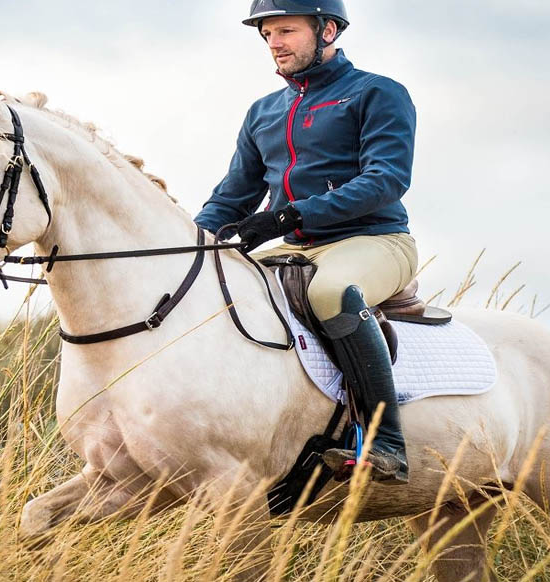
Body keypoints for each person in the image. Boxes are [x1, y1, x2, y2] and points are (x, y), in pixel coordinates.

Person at [194, 0, 418, 484]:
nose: (274, 42)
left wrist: (289, 215)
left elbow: (386, 180)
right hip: (293, 245)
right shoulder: (264, 112)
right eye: (267, 33)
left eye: (286, 31)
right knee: (221, 290)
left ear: (328, 30)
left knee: (329, 293)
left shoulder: (377, 92)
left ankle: (387, 443)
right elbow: (233, 195)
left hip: (374, 240)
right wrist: (191, 246)